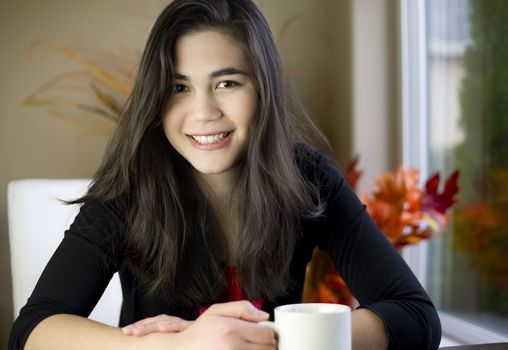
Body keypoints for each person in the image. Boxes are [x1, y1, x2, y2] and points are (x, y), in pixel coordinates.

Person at [9, 0, 442, 349]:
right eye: (179, 88)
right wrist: (176, 348)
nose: (203, 113)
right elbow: (32, 331)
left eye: (227, 83)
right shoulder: (130, 188)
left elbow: (415, 316)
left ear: (262, 90)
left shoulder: (308, 178)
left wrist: (268, 339)